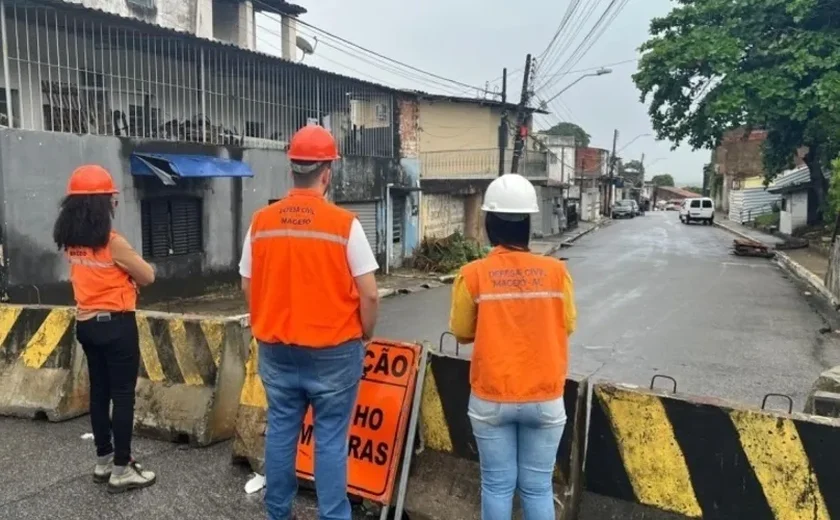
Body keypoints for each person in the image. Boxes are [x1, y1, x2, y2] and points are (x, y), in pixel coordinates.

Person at [239, 124, 380, 520]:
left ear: (293, 170)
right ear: (327, 172)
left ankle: (278, 512)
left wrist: (266, 317)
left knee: (282, 432)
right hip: (335, 352)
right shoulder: (344, 225)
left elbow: (247, 283)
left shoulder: (262, 222)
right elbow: (369, 293)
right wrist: (365, 333)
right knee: (331, 441)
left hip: (277, 351)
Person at [449, 173, 577, 520]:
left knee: (496, 485)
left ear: (489, 222)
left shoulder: (473, 273)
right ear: (529, 222)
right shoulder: (555, 273)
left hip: (492, 397)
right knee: (537, 488)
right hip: (544, 397)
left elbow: (461, 331)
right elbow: (567, 324)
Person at [53, 165, 157, 494]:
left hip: (86, 325)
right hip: (116, 325)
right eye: (111, 198)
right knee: (123, 396)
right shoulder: (113, 243)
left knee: (99, 393)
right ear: (101, 204)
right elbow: (148, 276)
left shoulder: (71, 243)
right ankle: (122, 469)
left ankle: (103, 460)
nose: (115, 203)